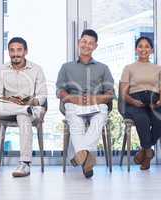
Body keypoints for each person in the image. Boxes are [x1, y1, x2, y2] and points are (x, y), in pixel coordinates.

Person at [0, 37, 47, 178]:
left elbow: (42, 95)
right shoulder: (0, 70)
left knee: (23, 116)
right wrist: (12, 102)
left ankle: (24, 163)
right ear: (9, 52)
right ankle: (23, 109)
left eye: (19, 50)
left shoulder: (36, 70)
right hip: (8, 108)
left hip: (31, 107)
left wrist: (32, 101)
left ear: (25, 51)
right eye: (12, 50)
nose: (15, 54)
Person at [56, 29, 114, 178]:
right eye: (84, 42)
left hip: (96, 104)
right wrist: (70, 98)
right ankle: (88, 159)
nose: (86, 45)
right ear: (78, 43)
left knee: (101, 114)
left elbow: (110, 94)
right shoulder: (66, 67)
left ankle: (81, 153)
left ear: (95, 46)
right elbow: (60, 91)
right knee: (75, 120)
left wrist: (95, 99)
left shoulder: (103, 68)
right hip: (74, 104)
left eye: (90, 43)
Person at [119, 36, 161, 170]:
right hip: (134, 99)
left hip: (154, 98)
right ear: (136, 49)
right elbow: (123, 93)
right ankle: (148, 153)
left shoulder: (159, 69)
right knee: (142, 119)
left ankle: (145, 150)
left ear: (151, 50)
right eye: (140, 46)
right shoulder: (128, 68)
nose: (143, 49)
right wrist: (133, 101)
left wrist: (160, 101)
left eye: (147, 46)